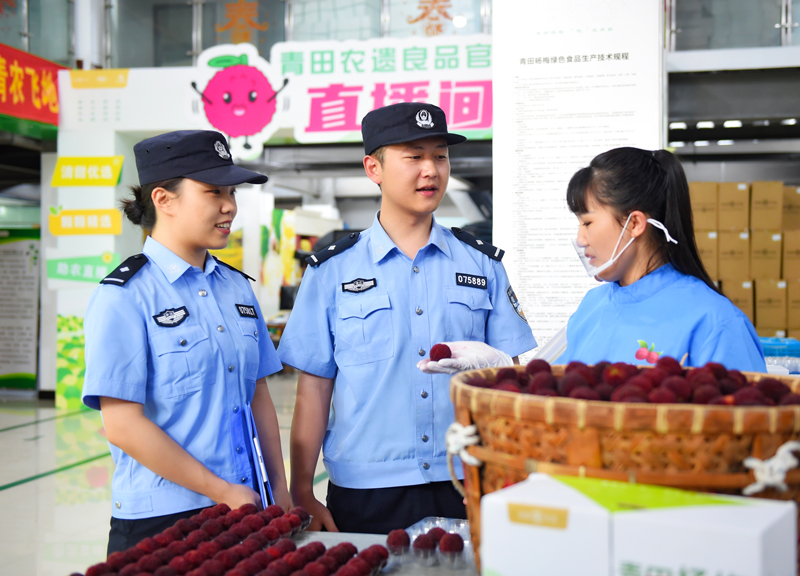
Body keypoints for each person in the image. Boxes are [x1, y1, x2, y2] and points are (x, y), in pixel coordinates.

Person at [278, 103, 537, 534]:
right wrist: (301, 490)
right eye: (413, 157)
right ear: (373, 168)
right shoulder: (331, 272)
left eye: (440, 156)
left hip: (467, 475)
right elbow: (314, 389)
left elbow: (510, 378)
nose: (431, 170)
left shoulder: (482, 264)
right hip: (366, 491)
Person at [81, 130, 291, 555]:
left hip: (244, 506)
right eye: (213, 191)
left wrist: (279, 491)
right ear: (163, 199)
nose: (230, 205)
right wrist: (220, 490)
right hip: (162, 519)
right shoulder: (124, 295)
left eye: (231, 191)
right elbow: (122, 425)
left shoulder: (237, 289)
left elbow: (259, 394)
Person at [557, 146, 766, 371]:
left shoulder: (717, 323)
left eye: (587, 223)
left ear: (635, 223)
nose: (580, 239)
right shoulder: (590, 308)